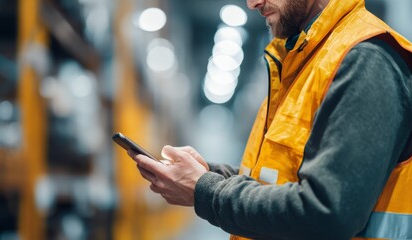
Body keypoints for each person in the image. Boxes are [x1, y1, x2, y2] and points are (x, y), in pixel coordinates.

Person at [127, 0, 412, 239]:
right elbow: (279, 178)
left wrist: (205, 191)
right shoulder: (300, 63)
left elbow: (326, 213)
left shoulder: (365, 60)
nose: (252, 3)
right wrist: (206, 173)